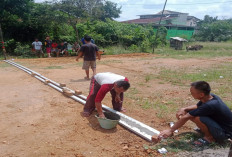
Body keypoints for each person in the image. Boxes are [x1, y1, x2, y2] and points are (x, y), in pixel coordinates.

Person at [153, 81, 232, 146]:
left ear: (201, 94)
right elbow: (197, 106)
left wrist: (170, 130)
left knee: (198, 117)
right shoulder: (210, 97)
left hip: (224, 134)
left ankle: (210, 138)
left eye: (192, 92)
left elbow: (186, 117)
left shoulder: (210, 105)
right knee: (190, 113)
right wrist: (184, 109)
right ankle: (208, 131)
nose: (191, 94)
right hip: (221, 126)